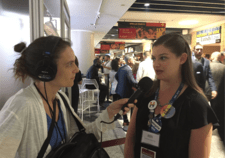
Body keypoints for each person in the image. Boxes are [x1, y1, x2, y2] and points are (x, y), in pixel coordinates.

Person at [0, 36, 134, 158]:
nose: (76, 69)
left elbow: (82, 136)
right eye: (69, 64)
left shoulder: (60, 99)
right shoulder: (21, 106)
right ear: (47, 69)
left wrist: (110, 112)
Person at [124, 33, 218, 158]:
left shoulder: (196, 104)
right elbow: (130, 139)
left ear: (182, 59)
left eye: (163, 58)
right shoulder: (146, 94)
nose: (156, 64)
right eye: (154, 58)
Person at [205, 51, 225, 145]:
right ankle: (218, 126)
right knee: (220, 111)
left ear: (212, 58)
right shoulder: (224, 67)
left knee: (209, 110)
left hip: (209, 92)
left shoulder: (208, 66)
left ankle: (210, 126)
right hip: (221, 94)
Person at [115, 55, 138, 129]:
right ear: (129, 61)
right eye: (132, 59)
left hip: (120, 90)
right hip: (127, 91)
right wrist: (139, 85)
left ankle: (125, 121)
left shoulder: (121, 68)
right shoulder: (128, 69)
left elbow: (116, 76)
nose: (134, 60)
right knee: (131, 106)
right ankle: (130, 123)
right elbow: (132, 81)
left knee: (123, 106)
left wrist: (122, 83)